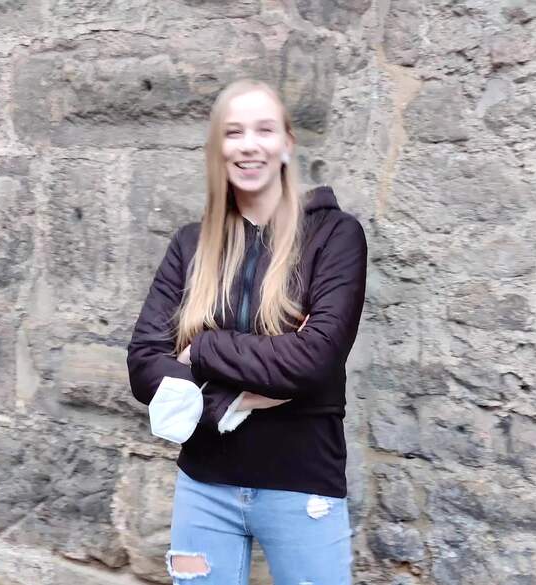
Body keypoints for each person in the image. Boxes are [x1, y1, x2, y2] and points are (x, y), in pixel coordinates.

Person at [126, 78, 368, 584]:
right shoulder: (191, 245)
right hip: (203, 487)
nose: (249, 145)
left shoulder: (334, 236)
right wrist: (239, 399)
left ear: (287, 143)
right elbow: (145, 364)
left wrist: (202, 348)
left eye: (264, 129)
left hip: (303, 487)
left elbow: (313, 363)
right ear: (218, 149)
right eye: (233, 132)